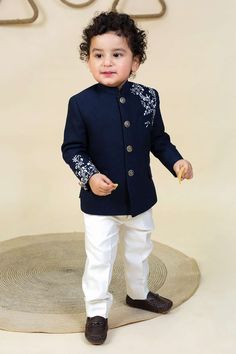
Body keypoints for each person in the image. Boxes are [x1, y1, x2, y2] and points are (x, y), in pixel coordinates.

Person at [61, 11, 193, 345]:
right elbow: (72, 149)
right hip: (99, 202)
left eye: (117, 55)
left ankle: (138, 293)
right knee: (100, 257)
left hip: (140, 198)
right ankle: (96, 311)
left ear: (135, 61)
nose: (107, 62)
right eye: (98, 55)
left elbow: (158, 140)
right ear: (88, 60)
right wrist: (90, 177)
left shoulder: (148, 98)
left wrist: (176, 162)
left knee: (139, 250)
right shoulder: (80, 104)